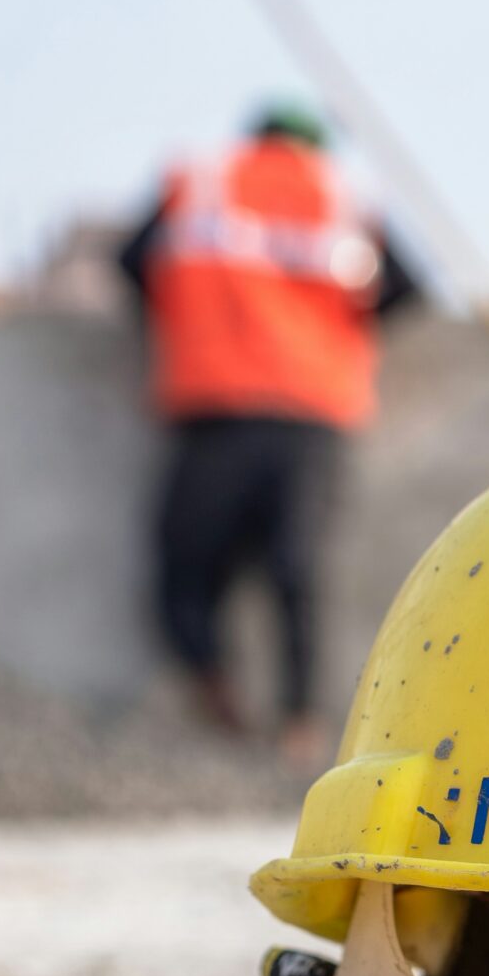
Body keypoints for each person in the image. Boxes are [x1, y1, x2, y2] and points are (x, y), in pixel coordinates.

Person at [117, 101, 421, 766]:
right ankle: (301, 725)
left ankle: (215, 689)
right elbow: (405, 288)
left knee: (185, 569)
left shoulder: (200, 180)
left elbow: (131, 260)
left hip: (217, 403)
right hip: (312, 410)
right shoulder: (343, 194)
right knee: (296, 569)